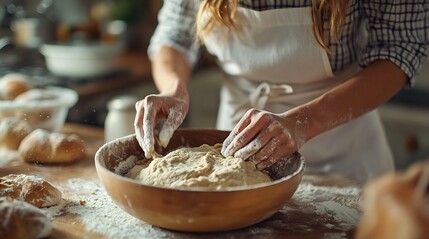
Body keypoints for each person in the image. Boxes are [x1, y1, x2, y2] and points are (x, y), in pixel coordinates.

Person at [134, 0, 429, 183]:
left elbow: (399, 51)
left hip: (341, 154)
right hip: (237, 144)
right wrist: (175, 89)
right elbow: (174, 35)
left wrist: (303, 122)